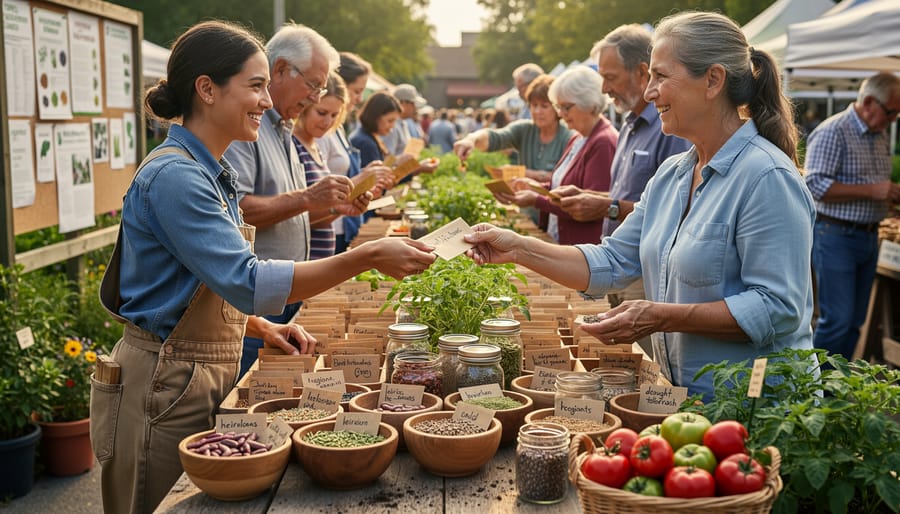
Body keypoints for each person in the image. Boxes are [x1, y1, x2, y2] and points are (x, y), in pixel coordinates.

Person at [93, 20, 436, 514]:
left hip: (187, 374)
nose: (268, 101)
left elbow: (195, 285)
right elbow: (248, 281)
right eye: (255, 87)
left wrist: (252, 326)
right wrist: (367, 256)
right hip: (163, 384)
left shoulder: (209, 171)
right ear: (207, 90)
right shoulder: (177, 178)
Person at [463, 11, 816, 399]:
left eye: (661, 77)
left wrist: (660, 316)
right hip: (689, 401)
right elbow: (611, 262)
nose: (649, 92)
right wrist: (515, 247)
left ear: (713, 80)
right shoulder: (672, 175)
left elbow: (777, 307)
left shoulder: (767, 177)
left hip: (756, 406)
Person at [224, 24, 360, 376]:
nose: (316, 98)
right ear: (280, 69)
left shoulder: (282, 128)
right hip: (256, 305)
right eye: (313, 85)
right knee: (249, 395)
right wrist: (307, 197)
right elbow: (239, 211)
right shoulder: (248, 128)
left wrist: (332, 210)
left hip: (282, 299)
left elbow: (294, 214)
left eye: (322, 88)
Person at [555, 24, 691, 303]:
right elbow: (637, 199)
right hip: (620, 265)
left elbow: (676, 211)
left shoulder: (669, 128)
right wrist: (595, 199)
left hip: (645, 275)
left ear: (642, 73)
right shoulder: (629, 126)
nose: (604, 89)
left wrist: (608, 206)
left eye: (610, 77)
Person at [805, 72, 900, 361]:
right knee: (837, 321)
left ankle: (836, 389)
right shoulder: (833, 130)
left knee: (855, 322)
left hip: (867, 236)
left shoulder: (879, 133)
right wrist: (874, 191)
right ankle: (814, 393)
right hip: (835, 235)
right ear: (869, 102)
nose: (894, 119)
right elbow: (814, 185)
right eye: (891, 111)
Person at [495, 66, 617, 245]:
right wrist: (533, 186)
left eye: (566, 107)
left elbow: (589, 206)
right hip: (564, 239)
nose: (561, 114)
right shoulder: (578, 136)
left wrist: (537, 199)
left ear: (589, 104)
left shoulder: (603, 142)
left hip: (583, 246)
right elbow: (561, 185)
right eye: (559, 107)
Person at [317, 52, 393, 253]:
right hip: (328, 228)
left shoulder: (338, 128)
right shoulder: (322, 130)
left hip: (341, 224)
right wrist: (363, 178)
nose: (359, 99)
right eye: (356, 91)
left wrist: (366, 181)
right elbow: (319, 186)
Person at [454, 75, 573, 183]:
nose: (537, 111)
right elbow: (496, 137)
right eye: (534, 105)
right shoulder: (524, 129)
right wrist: (471, 140)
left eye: (544, 106)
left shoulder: (569, 137)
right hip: (524, 205)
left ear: (557, 108)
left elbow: (566, 178)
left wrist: (522, 173)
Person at [293, 72, 360, 259]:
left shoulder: (315, 146)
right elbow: (295, 218)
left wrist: (339, 207)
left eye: (334, 115)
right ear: (306, 106)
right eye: (321, 113)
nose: (327, 122)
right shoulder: (293, 144)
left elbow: (318, 212)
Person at [381, 83, 426, 156]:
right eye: (413, 104)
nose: (415, 108)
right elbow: (388, 159)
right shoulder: (393, 126)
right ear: (403, 103)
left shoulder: (403, 123)